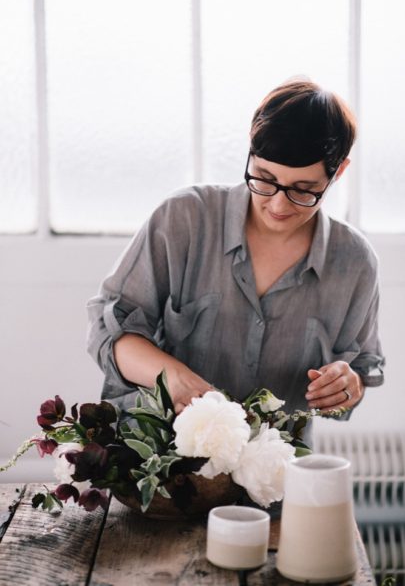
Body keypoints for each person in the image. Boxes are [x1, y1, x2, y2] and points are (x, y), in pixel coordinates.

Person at [86, 79, 384, 431]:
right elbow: (109, 328)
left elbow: (364, 367)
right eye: (264, 178)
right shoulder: (185, 218)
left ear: (339, 173)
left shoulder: (354, 262)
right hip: (160, 458)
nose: (277, 204)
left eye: (304, 190)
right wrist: (176, 379)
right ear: (250, 150)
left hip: (273, 471)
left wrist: (348, 385)